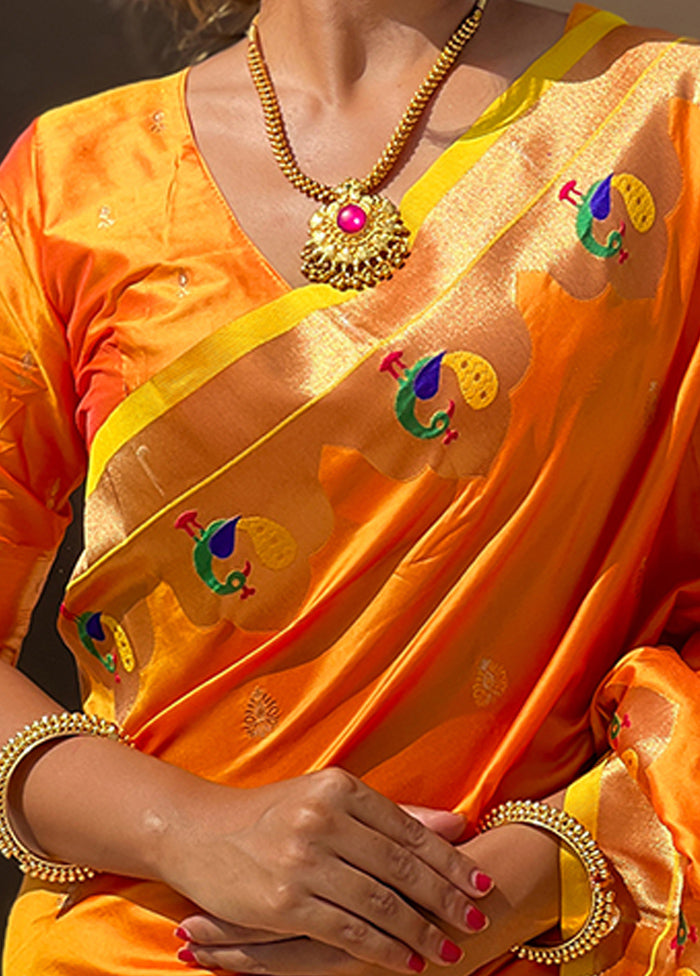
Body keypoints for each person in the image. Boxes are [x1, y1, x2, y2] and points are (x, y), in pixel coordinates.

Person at [1, 0, 700, 972]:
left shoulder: (669, 124)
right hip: (140, 945)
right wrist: (183, 826)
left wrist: (532, 874)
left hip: (542, 944)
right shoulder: (67, 186)